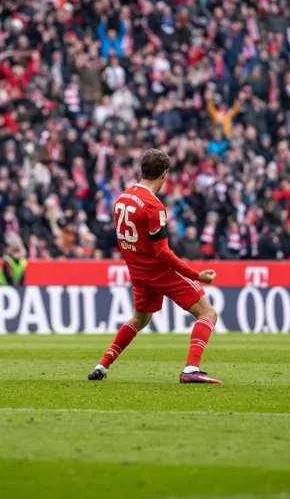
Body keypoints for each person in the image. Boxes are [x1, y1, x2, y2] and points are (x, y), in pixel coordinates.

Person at [88, 149, 221, 384]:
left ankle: (103, 364)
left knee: (139, 319)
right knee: (208, 313)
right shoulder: (153, 206)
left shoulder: (122, 199)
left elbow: (124, 240)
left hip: (138, 273)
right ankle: (191, 369)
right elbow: (162, 253)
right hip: (159, 272)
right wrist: (196, 275)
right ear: (164, 174)